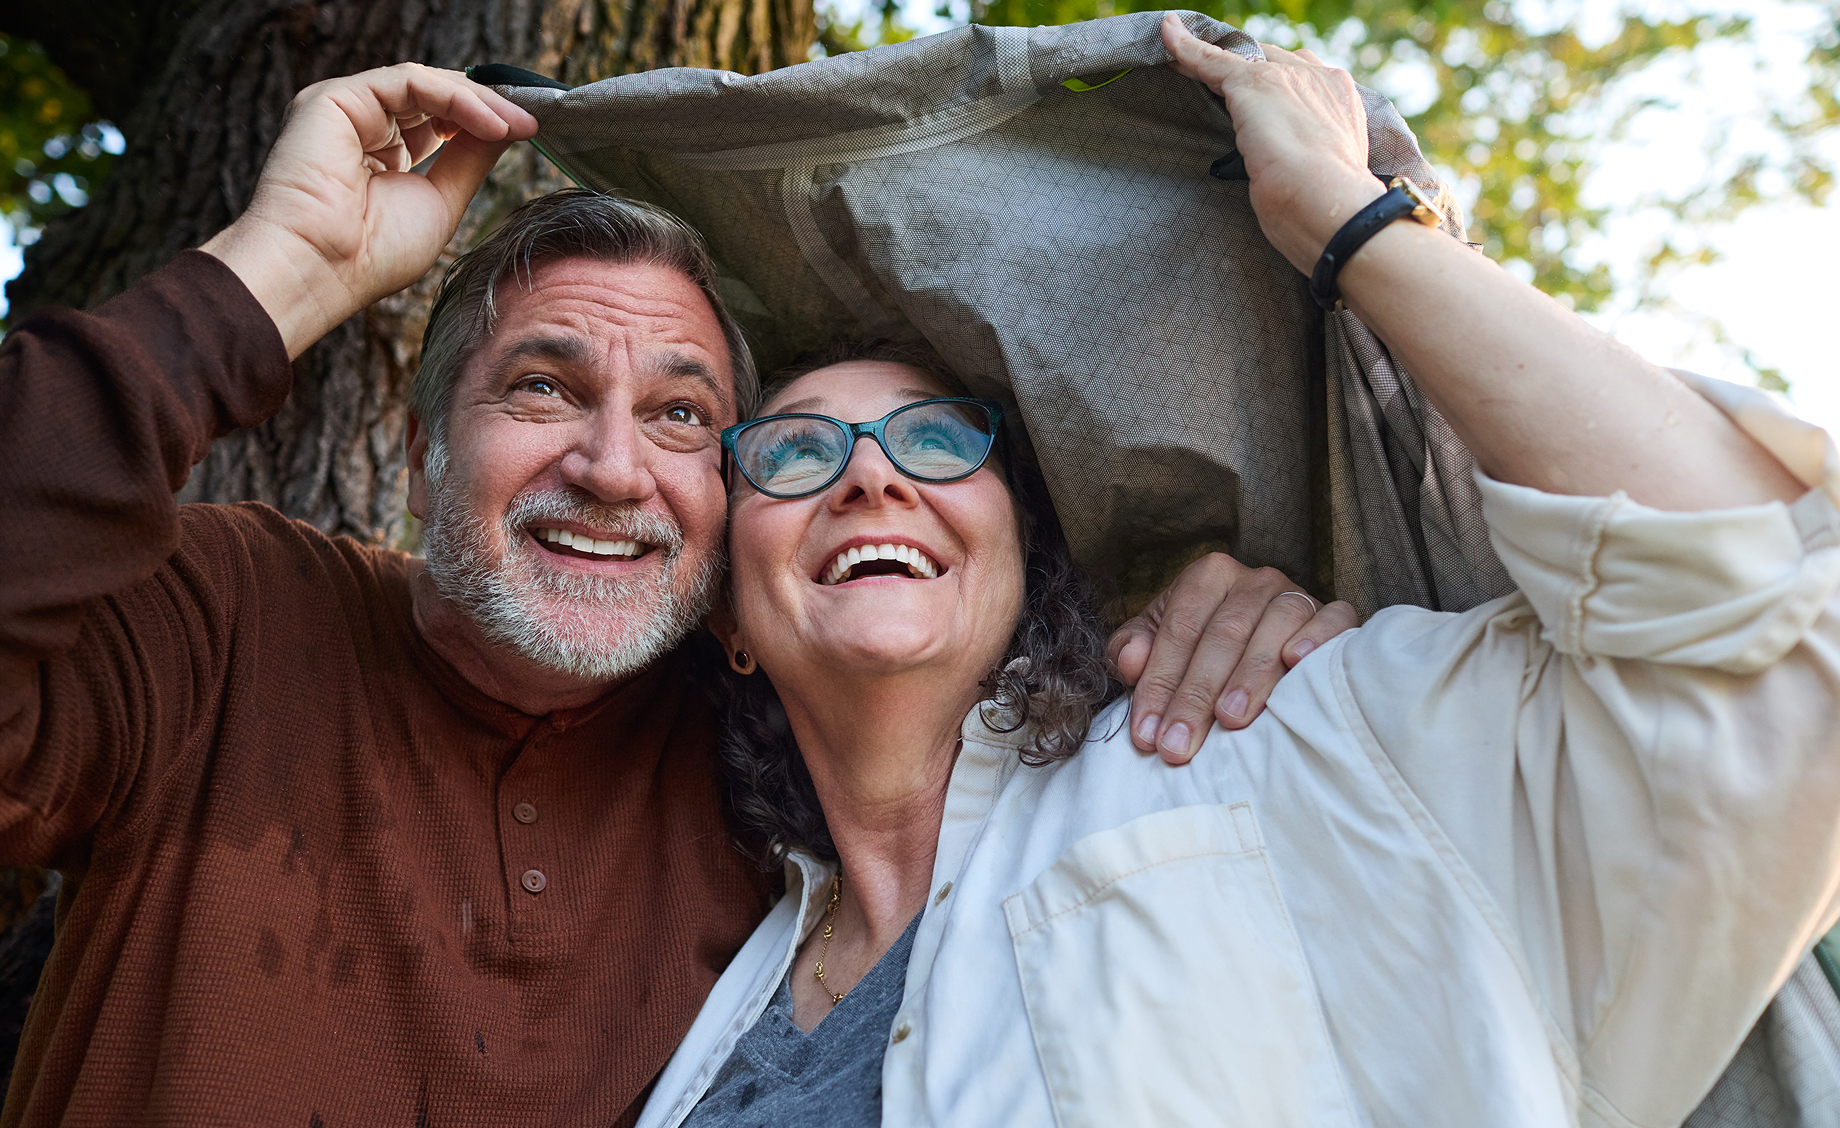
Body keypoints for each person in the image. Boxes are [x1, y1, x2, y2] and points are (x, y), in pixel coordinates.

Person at [0, 60, 1344, 1125]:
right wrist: (290, 263)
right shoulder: (221, 618)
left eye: (685, 413)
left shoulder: (765, 753)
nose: (612, 468)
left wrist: (1199, 597)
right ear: (420, 449)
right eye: (544, 387)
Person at [636, 18, 1840, 1128]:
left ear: (1023, 557)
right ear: (730, 617)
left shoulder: (1281, 747)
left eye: (938, 439)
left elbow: (1786, 632)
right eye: (794, 453)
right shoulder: (706, 1000)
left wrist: (1344, 216)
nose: (870, 478)